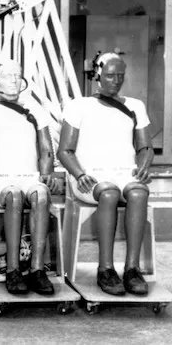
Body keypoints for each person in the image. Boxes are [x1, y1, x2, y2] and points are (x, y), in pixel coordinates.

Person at [57, 52, 153, 296]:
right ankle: (105, 269)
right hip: (90, 176)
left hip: (124, 173)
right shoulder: (79, 106)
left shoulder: (135, 106)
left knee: (139, 193)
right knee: (109, 193)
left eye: (120, 75)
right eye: (110, 75)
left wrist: (143, 166)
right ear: (98, 74)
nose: (116, 81)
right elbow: (64, 151)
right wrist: (79, 174)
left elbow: (145, 147)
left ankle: (132, 269)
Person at [0, 60, 58, 295]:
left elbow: (46, 150)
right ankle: (13, 270)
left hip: (29, 176)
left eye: (17, 75)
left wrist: (46, 174)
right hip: (1, 179)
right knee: (14, 196)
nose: (13, 80)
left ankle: (37, 270)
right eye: (8, 76)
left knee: (41, 195)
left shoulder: (35, 110)